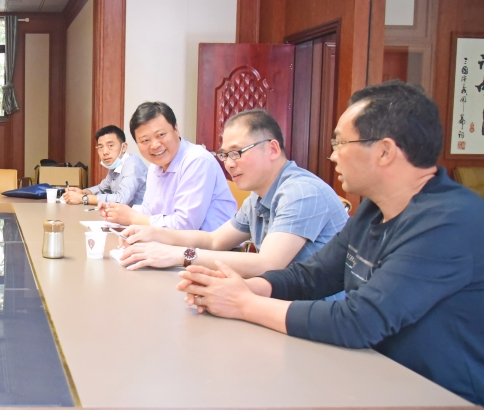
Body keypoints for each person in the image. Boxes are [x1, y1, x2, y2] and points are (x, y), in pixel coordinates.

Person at [177, 81, 484, 406]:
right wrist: (243, 288)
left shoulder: (449, 221)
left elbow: (360, 321)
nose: (333, 155)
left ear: (385, 151)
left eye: (340, 142)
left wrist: (243, 304)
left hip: (444, 405)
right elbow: (312, 276)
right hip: (373, 379)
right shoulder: (374, 208)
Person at [118, 109, 348, 283]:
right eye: (225, 154)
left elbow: (267, 264)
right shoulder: (258, 197)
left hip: (320, 315)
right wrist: (153, 233)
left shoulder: (300, 192)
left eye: (237, 153)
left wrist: (179, 255)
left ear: (273, 149)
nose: (228, 164)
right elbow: (214, 240)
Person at [100, 102, 236, 229]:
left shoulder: (197, 160)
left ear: (176, 129)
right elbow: (149, 211)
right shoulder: (155, 166)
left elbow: (185, 225)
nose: (155, 145)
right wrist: (117, 212)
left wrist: (132, 218)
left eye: (161, 135)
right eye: (145, 140)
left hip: (212, 245)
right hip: (170, 242)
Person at [63, 125, 147, 207]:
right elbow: (101, 189)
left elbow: (122, 199)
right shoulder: (116, 165)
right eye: (101, 147)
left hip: (141, 215)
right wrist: (83, 192)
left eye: (110, 145)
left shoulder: (132, 165)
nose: (105, 152)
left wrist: (83, 198)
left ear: (124, 147)